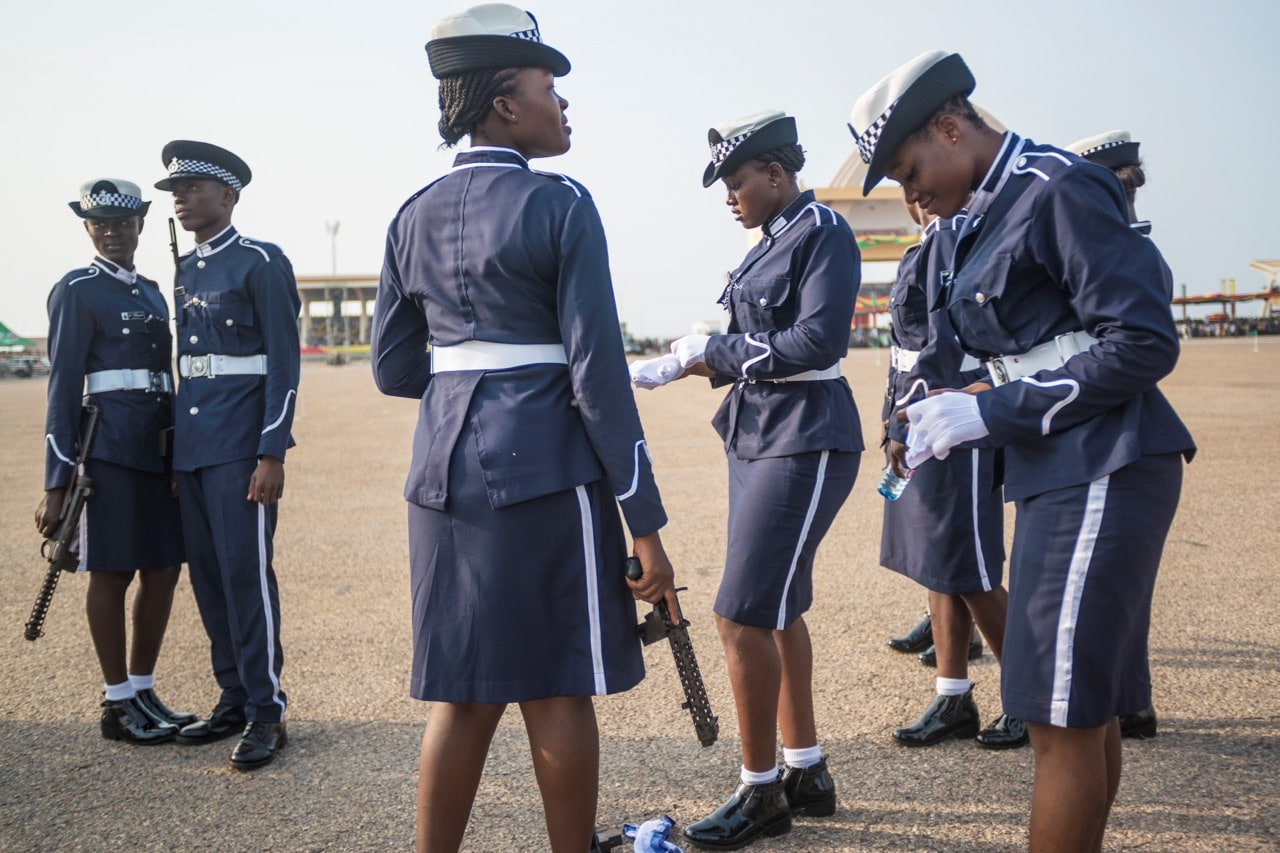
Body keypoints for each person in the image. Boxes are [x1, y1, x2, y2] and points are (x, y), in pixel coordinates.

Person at [849, 51, 1195, 851]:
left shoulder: (1056, 186)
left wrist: (994, 411)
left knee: (1055, 715)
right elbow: (1044, 348)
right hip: (1065, 464)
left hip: (1105, 461)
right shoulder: (998, 207)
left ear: (950, 125)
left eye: (909, 171)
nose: (911, 196)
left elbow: (1142, 340)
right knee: (1074, 707)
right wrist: (963, 403)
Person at [370, 6, 677, 851]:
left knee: (463, 696)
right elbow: (600, 381)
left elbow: (394, 368)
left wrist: (471, 371)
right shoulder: (562, 203)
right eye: (551, 88)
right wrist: (645, 525)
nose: (564, 105)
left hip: (439, 479)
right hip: (542, 474)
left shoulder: (412, 212)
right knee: (556, 688)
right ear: (506, 104)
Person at [632, 110, 863, 849]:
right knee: (777, 606)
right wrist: (685, 359)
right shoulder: (771, 243)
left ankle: (760, 790)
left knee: (740, 612)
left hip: (803, 434)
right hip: (761, 432)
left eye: (738, 182)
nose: (731, 196)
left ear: (775, 172)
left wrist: (717, 348)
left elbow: (816, 340)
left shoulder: (822, 230)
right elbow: (752, 345)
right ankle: (805, 769)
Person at [154, 141, 301, 770]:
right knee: (210, 578)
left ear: (228, 195)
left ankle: (268, 711)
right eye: (175, 192)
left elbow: (284, 365)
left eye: (191, 189)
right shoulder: (186, 270)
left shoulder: (261, 262)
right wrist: (176, 455)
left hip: (243, 447)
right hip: (194, 447)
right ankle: (234, 695)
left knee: (247, 575)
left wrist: (272, 450)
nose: (181, 199)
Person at [37, 178, 190, 744]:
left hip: (156, 447)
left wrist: (178, 452)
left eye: (122, 223)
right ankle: (116, 700)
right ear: (88, 228)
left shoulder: (152, 292)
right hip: (108, 450)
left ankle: (144, 687)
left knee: (164, 570)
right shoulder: (76, 289)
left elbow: (164, 377)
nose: (112, 232)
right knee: (112, 572)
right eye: (100, 223)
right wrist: (58, 481)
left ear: (140, 226)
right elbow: (61, 390)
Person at [879, 195, 1026, 750]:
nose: (912, 193)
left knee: (971, 569)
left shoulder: (954, 236)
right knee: (938, 567)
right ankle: (953, 694)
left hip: (947, 419)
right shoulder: (930, 240)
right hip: (918, 419)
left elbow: (940, 345)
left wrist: (905, 417)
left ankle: (1025, 698)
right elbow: (904, 350)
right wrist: (895, 417)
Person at [1064, 129, 1160, 741]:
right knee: (1120, 585)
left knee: (1105, 584)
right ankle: (1131, 700)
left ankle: (1122, 700)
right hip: (1107, 414)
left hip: (1099, 419)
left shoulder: (1108, 240)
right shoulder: (1128, 236)